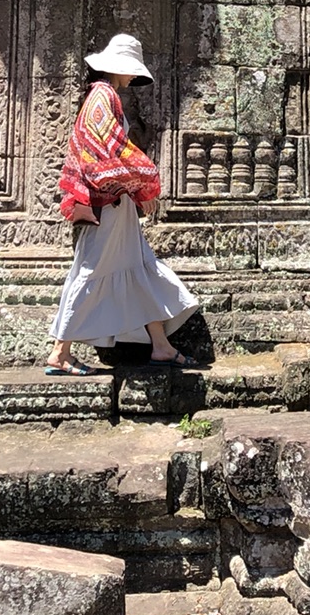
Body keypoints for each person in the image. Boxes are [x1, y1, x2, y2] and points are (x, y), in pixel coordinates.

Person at [45, 34, 204, 375]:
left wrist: (134, 188)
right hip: (111, 202)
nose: (133, 76)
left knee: (137, 266)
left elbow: (101, 149)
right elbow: (106, 151)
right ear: (118, 67)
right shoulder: (104, 95)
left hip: (115, 202)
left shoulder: (103, 96)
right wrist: (141, 183)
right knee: (92, 271)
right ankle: (60, 352)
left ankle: (161, 346)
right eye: (130, 70)